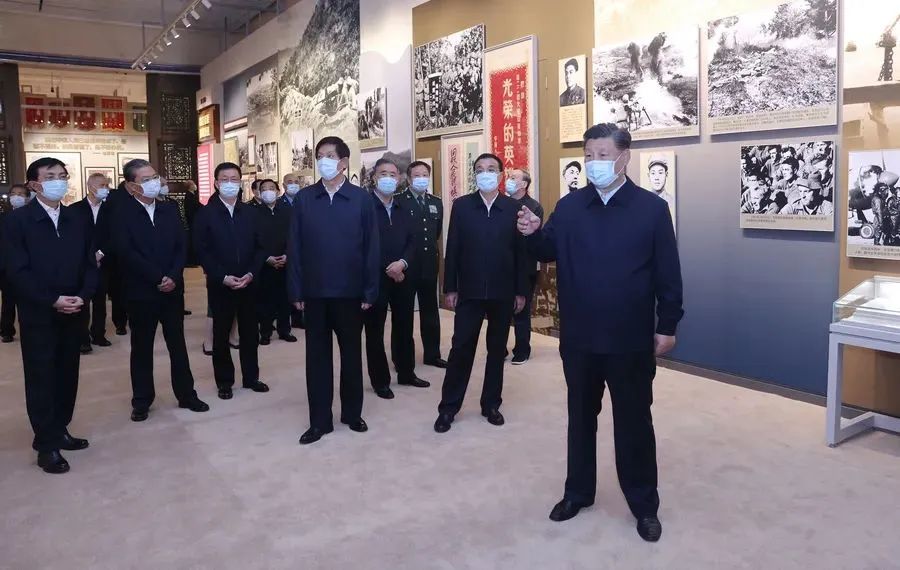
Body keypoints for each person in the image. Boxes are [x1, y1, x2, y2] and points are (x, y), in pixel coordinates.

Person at [517, 123, 683, 542]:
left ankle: (644, 505)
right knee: (580, 418)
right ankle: (578, 493)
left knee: (634, 422)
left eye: (603, 155)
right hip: (580, 337)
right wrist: (532, 233)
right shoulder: (570, 206)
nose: (594, 163)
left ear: (624, 158)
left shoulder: (651, 209)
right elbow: (547, 250)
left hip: (630, 339)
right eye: (589, 156)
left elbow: (668, 272)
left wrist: (668, 324)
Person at [4, 157, 98, 474]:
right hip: (39, 313)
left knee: (67, 374)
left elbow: (90, 263)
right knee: (41, 377)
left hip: (74, 309)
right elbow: (17, 271)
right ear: (34, 184)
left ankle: (60, 429)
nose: (59, 181)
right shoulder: (17, 222)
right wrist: (52, 300)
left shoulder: (76, 219)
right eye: (50, 176)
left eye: (62, 175)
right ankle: (46, 445)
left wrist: (83, 295)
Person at [287, 136, 379, 445]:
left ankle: (352, 414)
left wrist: (370, 290)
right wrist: (295, 290)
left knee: (351, 356)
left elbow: (372, 248)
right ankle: (319, 421)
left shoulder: (361, 199)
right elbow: (295, 248)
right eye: (320, 155)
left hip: (350, 294)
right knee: (317, 359)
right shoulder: (305, 199)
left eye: (329, 155)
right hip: (314, 293)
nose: (323, 160)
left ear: (343, 162)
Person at [434, 153, 527, 434]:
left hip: (502, 290)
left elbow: (521, 254)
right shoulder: (462, 206)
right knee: (461, 348)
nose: (485, 173)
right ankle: (448, 407)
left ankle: (491, 405)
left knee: (497, 350)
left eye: (491, 169)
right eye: (480, 169)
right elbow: (453, 248)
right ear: (475, 175)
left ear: (500, 174)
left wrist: (520, 291)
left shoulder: (513, 208)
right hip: (470, 290)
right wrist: (450, 287)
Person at [113, 159, 209, 421]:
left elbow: (181, 244)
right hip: (141, 290)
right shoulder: (121, 213)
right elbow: (126, 252)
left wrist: (174, 275)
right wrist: (157, 276)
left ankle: (187, 394)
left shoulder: (169, 209)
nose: (154, 182)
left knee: (177, 344)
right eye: (146, 180)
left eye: (154, 177)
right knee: (142, 347)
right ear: (131, 186)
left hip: (172, 289)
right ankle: (142, 400)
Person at [194, 162, 269, 400]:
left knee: (250, 333)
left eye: (234, 179)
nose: (230, 183)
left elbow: (261, 247)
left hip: (249, 282)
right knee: (221, 333)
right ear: (216, 183)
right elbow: (201, 251)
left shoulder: (251, 213)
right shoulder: (205, 214)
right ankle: (224, 381)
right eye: (224, 179)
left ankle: (251, 377)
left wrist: (251, 273)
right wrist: (222, 277)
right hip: (221, 284)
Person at [365, 158, 428, 400]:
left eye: (393, 174)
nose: (389, 178)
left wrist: (402, 263)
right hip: (375, 278)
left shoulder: (404, 206)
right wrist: (387, 267)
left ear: (400, 178)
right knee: (375, 331)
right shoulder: (365, 206)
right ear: (374, 178)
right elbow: (362, 243)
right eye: (383, 174)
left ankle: (406, 372)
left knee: (404, 326)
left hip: (403, 275)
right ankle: (380, 380)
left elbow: (413, 240)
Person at [395, 160, 446, 368]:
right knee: (404, 315)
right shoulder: (399, 201)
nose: (421, 178)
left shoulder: (436, 202)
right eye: (417, 175)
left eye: (425, 175)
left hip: (429, 265)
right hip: (407, 266)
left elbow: (436, 232)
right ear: (409, 178)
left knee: (431, 312)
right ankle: (402, 358)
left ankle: (432, 355)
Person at [69, 173, 113, 353]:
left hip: (104, 261)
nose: (106, 189)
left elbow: (114, 235)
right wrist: (88, 257)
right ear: (90, 187)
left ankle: (99, 334)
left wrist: (100, 254)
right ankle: (82, 339)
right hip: (81, 262)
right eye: (102, 185)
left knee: (100, 300)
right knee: (83, 301)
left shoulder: (111, 210)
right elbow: (72, 237)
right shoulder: (74, 209)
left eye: (107, 185)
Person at [505, 168, 544, 365]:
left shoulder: (534, 207)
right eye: (508, 177)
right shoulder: (503, 204)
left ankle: (522, 350)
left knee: (521, 309)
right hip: (503, 265)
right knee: (501, 310)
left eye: (513, 178)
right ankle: (499, 348)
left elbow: (532, 238)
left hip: (526, 266)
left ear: (524, 184)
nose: (509, 180)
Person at [255, 179, 296, 345]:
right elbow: (253, 240)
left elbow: (293, 236)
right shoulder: (253, 213)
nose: (268, 191)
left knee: (285, 299)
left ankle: (285, 330)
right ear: (259, 193)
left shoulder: (288, 211)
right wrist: (267, 258)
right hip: (265, 264)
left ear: (278, 191)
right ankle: (265, 332)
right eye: (264, 189)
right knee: (265, 300)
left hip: (285, 262)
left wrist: (287, 255)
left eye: (271, 188)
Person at [1, 183, 30, 343]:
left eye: (21, 194)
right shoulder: (3, 217)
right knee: (8, 300)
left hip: (28, 265)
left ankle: (29, 329)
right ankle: (6, 330)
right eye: (13, 194)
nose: (16, 197)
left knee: (28, 299)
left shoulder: (32, 216)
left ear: (27, 198)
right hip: (7, 265)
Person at [105, 180, 130, 336]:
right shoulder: (114, 199)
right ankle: (120, 322)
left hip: (131, 253)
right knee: (119, 291)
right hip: (117, 254)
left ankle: (126, 321)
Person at [280, 172, 304, 329]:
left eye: (296, 181)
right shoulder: (278, 203)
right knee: (284, 289)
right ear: (283, 185)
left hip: (302, 251)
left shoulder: (304, 202)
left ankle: (298, 318)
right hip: (283, 252)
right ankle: (283, 324)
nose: (293, 184)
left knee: (300, 284)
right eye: (290, 182)